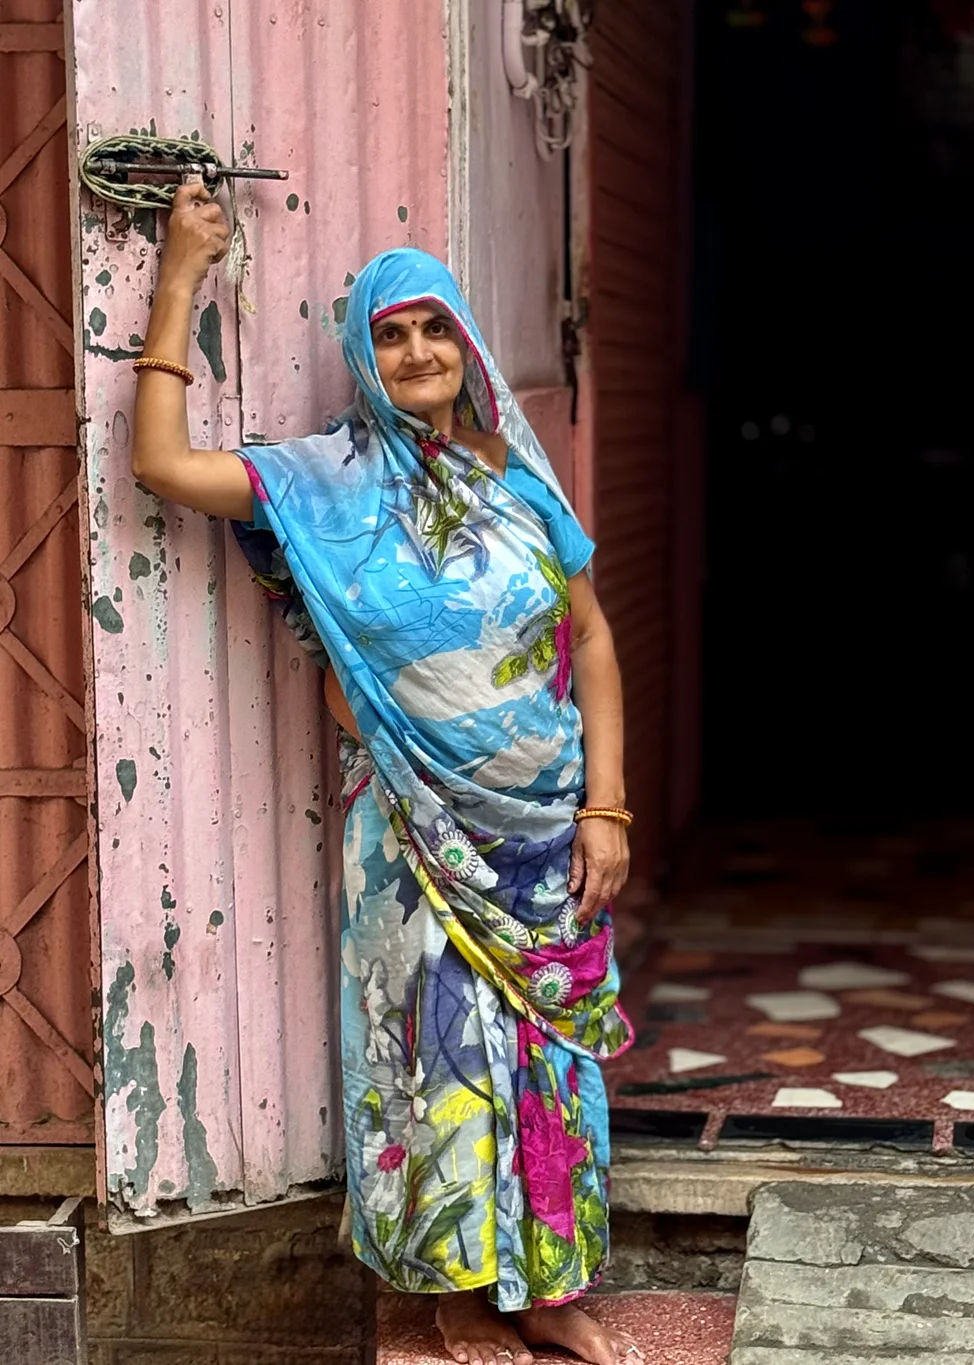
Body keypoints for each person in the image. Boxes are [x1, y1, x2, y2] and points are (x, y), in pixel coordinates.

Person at [131, 183, 640, 1365]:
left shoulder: (519, 479)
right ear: (364, 357)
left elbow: (594, 641)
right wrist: (182, 273)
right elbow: (160, 464)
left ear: (466, 345)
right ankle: (454, 1291)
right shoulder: (326, 484)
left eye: (433, 328)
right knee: (432, 1057)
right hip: (413, 832)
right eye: (390, 333)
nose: (416, 351)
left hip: (543, 832)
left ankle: (546, 1288)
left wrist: (606, 808)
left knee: (546, 1062)